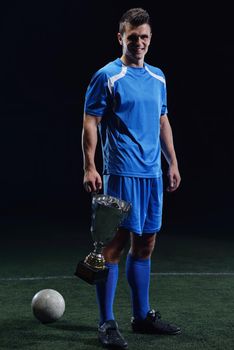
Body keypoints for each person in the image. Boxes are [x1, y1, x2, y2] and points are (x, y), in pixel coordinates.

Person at [82, 7, 181, 349]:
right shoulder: (107, 76)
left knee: (146, 244)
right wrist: (90, 166)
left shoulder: (158, 77)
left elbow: (162, 120)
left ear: (150, 39)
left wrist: (172, 163)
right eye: (132, 36)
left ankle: (141, 317)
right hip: (122, 173)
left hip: (152, 173)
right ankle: (106, 323)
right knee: (113, 247)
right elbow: (90, 122)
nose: (139, 42)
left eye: (144, 37)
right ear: (120, 37)